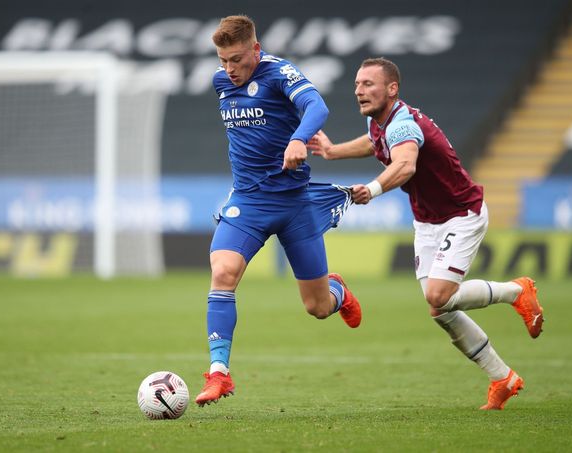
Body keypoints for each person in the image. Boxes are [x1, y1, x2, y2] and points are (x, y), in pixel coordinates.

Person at [308, 57, 544, 410]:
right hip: (427, 221)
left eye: (368, 84)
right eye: (357, 84)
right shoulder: (381, 122)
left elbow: (405, 163)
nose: (359, 90)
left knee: (437, 295)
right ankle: (503, 378)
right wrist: (332, 151)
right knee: (441, 309)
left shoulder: (403, 124)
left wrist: (372, 190)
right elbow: (375, 143)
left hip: (460, 214)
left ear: (392, 89)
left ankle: (516, 291)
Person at [195, 15, 361, 407]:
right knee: (222, 272)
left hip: (294, 204)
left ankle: (338, 290)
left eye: (237, 59)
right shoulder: (221, 83)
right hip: (248, 203)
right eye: (223, 60)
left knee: (317, 307)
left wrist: (299, 139)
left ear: (256, 48)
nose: (230, 69)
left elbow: (316, 107)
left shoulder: (279, 72)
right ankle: (219, 373)